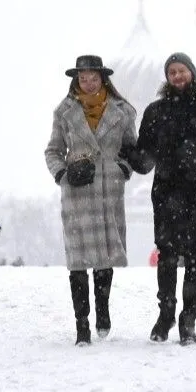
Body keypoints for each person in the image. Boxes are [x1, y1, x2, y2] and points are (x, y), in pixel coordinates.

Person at [121, 52, 196, 345]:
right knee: (167, 257)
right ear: (167, 77)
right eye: (172, 72)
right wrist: (131, 155)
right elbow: (146, 157)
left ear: (192, 73)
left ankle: (189, 321)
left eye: (181, 70)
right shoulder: (157, 112)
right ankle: (166, 314)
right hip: (168, 194)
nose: (177, 76)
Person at [45, 55, 138, 345]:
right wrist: (62, 174)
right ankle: (81, 324)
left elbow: (131, 149)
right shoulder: (64, 112)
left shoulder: (123, 111)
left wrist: (123, 168)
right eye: (82, 78)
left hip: (108, 188)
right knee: (78, 260)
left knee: (105, 255)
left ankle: (103, 311)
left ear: (102, 78)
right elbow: (52, 150)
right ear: (76, 80)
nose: (87, 82)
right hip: (77, 191)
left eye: (92, 77)